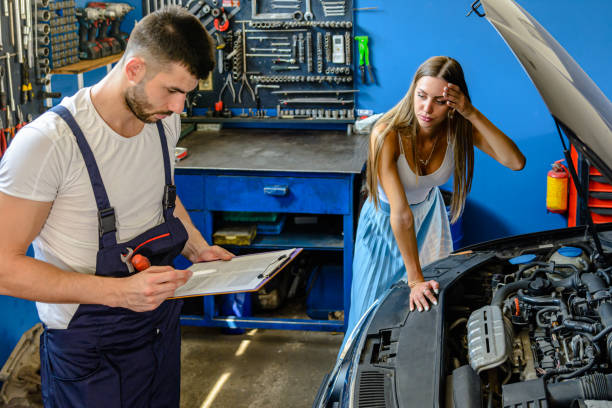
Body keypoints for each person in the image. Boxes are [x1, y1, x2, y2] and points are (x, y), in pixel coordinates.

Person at [0, 6, 233, 407]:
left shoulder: (162, 120)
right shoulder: (48, 145)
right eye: (172, 91)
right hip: (89, 352)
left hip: (157, 328)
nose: (180, 107)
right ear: (134, 69)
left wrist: (196, 248)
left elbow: (163, 196)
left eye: (186, 93)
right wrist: (119, 293)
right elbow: (4, 268)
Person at [346, 56, 525, 335]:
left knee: (423, 314)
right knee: (370, 317)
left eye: (439, 102)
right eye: (421, 96)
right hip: (386, 224)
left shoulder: (457, 128)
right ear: (412, 91)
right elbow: (401, 214)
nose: (427, 109)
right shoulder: (386, 134)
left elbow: (515, 161)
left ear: (454, 102)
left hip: (429, 219)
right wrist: (415, 279)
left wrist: (471, 113)